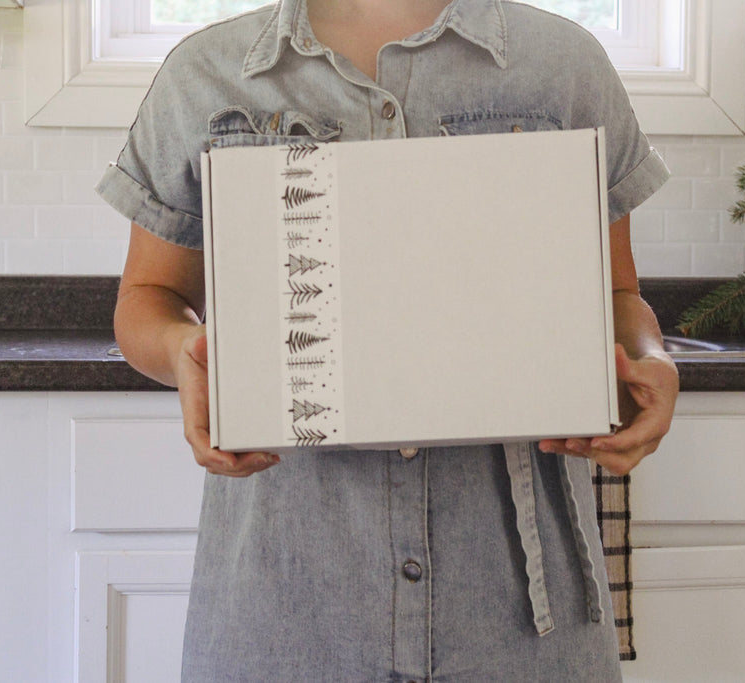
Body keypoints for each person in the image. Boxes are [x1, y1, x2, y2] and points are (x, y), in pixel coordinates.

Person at [97, 0, 680, 679]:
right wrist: (182, 354)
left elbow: (615, 295)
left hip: (516, 618)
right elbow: (146, 299)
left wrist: (649, 359)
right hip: (284, 608)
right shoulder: (205, 74)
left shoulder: (563, 65)